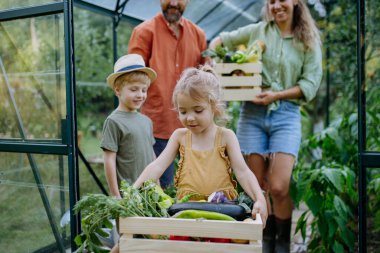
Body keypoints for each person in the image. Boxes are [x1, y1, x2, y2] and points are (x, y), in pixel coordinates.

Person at [209, 0, 322, 252]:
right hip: (252, 114)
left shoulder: (307, 40)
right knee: (256, 185)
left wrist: (276, 96)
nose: (276, 5)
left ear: (295, 2)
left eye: (282, 0)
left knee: (280, 186)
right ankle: (265, 241)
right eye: (271, 1)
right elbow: (217, 42)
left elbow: (311, 84)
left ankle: (282, 241)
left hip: (286, 115)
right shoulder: (257, 31)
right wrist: (217, 66)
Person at [133, 65, 268, 226]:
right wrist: (134, 191)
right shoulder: (179, 137)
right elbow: (157, 166)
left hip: (223, 210)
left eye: (198, 110)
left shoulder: (226, 137)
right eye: (183, 112)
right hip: (186, 212)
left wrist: (259, 199)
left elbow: (243, 172)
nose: (190, 118)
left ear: (214, 107)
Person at [128, 0, 207, 189]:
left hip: (193, 126)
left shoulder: (198, 35)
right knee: (163, 191)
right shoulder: (144, 32)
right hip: (158, 127)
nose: (173, 2)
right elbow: (132, 80)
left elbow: (206, 73)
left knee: (195, 187)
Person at [100, 54, 157, 253]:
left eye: (144, 90)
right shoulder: (114, 121)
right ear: (118, 90)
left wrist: (157, 186)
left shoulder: (146, 121)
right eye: (134, 89)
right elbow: (109, 159)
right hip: (127, 194)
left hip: (148, 193)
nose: (140, 94)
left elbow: (151, 156)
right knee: (127, 239)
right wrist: (116, 195)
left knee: (147, 238)